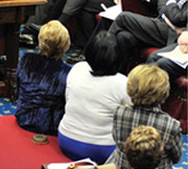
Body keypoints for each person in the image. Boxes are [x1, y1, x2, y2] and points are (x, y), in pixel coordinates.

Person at [57, 31, 130, 164]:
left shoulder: (77, 68)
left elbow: (68, 99)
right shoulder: (123, 83)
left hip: (66, 139)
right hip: (102, 150)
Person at [107, 64, 183, 169]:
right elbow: (176, 158)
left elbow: (116, 140)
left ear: (129, 88)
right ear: (165, 92)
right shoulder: (171, 125)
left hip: (122, 165)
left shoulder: (119, 112)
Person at [15, 20, 71, 135]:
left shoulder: (26, 59)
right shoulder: (67, 72)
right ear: (65, 44)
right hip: (51, 125)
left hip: (23, 118)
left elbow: (18, 88)